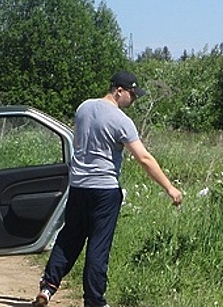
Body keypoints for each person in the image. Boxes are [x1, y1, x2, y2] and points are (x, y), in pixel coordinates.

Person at [32, 70, 183, 307]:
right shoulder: (121, 120)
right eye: (132, 95)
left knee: (69, 238)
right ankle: (94, 301)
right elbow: (144, 158)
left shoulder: (83, 108)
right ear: (119, 90)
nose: (133, 100)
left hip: (79, 186)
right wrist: (170, 188)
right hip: (105, 190)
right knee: (98, 246)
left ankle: (48, 287)